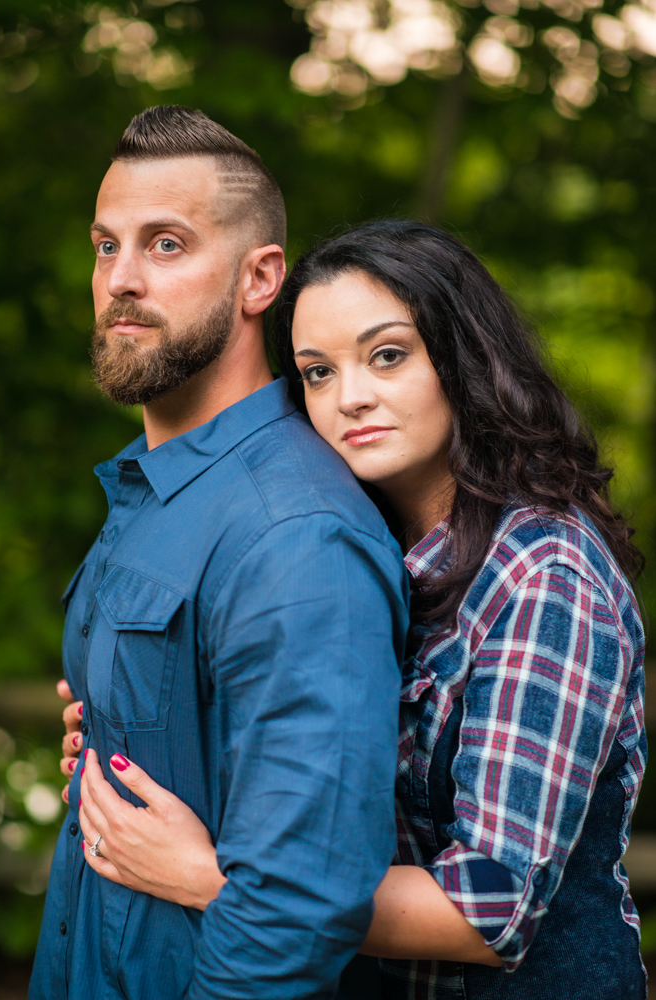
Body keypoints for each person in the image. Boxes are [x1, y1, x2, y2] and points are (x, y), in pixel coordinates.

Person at [63, 220, 647, 1000]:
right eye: (316, 372)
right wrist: (139, 735)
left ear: (462, 357)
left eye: (387, 355)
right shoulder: (353, 551)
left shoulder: (546, 574)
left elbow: (489, 909)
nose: (350, 398)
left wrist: (221, 880)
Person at [31, 107, 410, 1000]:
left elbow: (297, 911)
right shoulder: (155, 486)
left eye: (165, 245)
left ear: (258, 278)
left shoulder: (294, 533)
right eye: (105, 245)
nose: (120, 279)